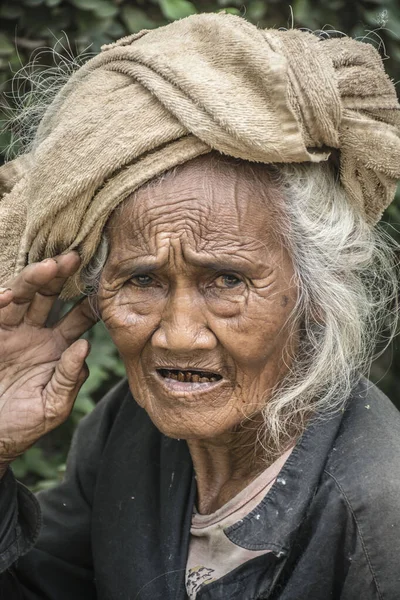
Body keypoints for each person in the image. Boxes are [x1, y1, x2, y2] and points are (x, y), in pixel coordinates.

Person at [0, 12, 400, 600]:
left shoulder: (378, 517)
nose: (179, 337)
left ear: (319, 290)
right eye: (141, 280)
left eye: (228, 281)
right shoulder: (129, 427)